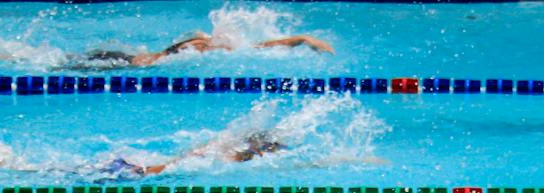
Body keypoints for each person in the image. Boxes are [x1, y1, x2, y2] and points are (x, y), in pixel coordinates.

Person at [0, 128, 287, 179]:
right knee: (29, 172)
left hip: (126, 168)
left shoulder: (215, 152)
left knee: (32, 169)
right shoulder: (220, 158)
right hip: (127, 174)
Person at [51, 31, 335, 70]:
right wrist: (300, 39)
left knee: (60, 62)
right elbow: (261, 47)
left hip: (122, 59)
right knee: (55, 66)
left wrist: (301, 39)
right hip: (119, 64)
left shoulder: (203, 46)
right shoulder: (199, 48)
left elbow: (257, 47)